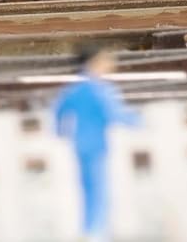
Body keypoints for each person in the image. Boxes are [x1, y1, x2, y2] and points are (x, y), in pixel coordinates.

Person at [53, 45, 139, 242]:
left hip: (80, 143)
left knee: (87, 187)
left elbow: (60, 109)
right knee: (99, 188)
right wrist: (139, 122)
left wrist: (59, 130)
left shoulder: (75, 89)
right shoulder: (99, 90)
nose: (110, 64)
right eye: (105, 60)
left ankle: (89, 228)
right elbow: (114, 113)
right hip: (96, 144)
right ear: (94, 63)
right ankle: (94, 230)